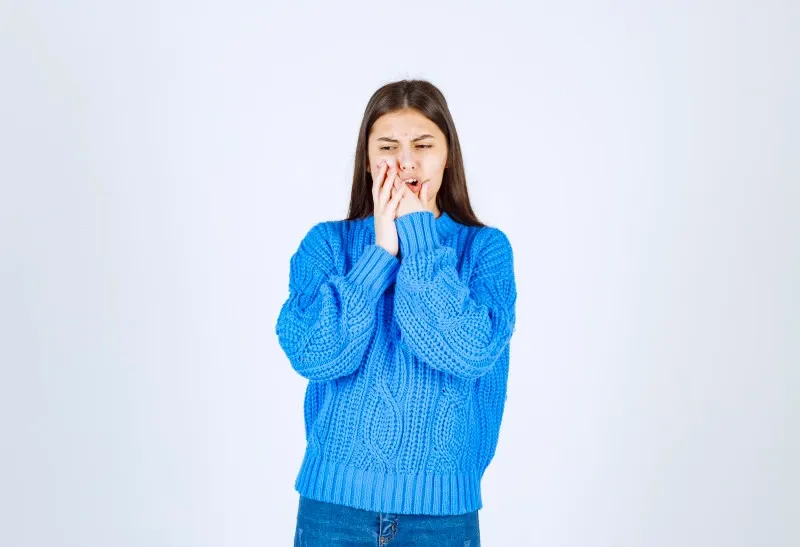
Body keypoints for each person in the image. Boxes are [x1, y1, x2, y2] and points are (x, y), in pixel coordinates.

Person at [275, 79, 517, 546]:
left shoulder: (486, 250)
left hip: (441, 518)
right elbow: (318, 356)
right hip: (335, 511)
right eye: (387, 146)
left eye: (422, 145)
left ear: (448, 155)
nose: (405, 162)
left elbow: (467, 353)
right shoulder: (327, 244)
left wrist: (419, 238)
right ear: (367, 160)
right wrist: (380, 255)